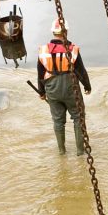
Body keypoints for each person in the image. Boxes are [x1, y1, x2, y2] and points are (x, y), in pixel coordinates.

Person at [37, 18, 92, 155]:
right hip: (70, 87)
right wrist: (87, 86)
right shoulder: (72, 50)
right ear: (66, 31)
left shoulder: (43, 50)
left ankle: (62, 151)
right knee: (78, 118)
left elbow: (40, 73)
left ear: (53, 33)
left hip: (52, 88)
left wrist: (41, 92)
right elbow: (80, 71)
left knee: (58, 121)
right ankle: (80, 152)